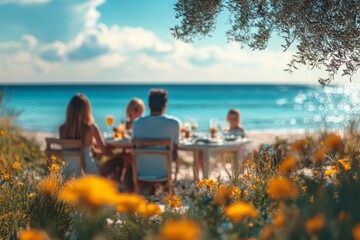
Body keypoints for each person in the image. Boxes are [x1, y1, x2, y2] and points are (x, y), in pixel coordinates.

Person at [59, 94, 129, 183]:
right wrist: (116, 151)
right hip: (88, 174)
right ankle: (114, 190)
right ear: (86, 110)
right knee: (119, 160)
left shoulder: (62, 129)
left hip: (67, 174)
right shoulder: (91, 128)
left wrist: (94, 152)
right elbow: (105, 152)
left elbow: (75, 151)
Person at [132, 89, 181, 194]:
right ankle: (164, 190)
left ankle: (133, 193)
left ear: (148, 105)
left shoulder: (137, 123)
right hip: (164, 173)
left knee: (126, 161)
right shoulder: (174, 123)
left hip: (141, 172)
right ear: (165, 106)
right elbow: (175, 153)